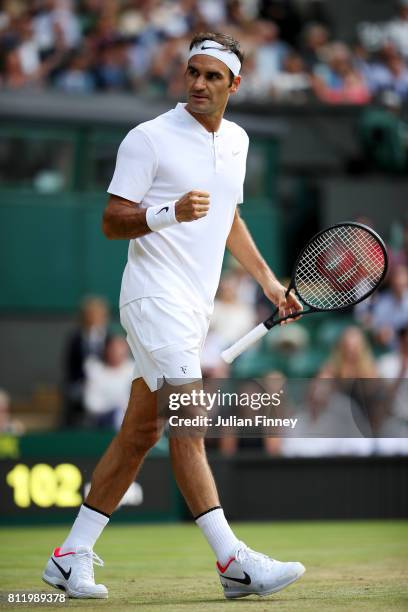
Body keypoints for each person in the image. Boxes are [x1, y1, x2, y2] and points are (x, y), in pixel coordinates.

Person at [42, 31, 304, 600]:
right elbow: (113, 220)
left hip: (194, 307)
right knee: (191, 422)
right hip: (152, 296)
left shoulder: (236, 140)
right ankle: (233, 562)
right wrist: (168, 213)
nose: (200, 84)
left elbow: (229, 216)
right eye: (193, 72)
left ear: (234, 84)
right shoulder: (149, 138)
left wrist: (268, 283)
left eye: (213, 76)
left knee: (140, 432)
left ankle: (70, 555)